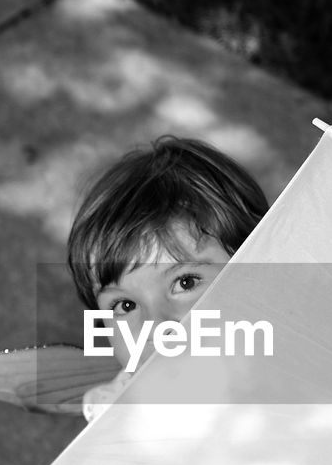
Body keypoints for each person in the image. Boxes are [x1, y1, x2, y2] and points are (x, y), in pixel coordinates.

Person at [66, 136, 269, 420]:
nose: (155, 327)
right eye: (125, 306)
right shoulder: (125, 412)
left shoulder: (311, 368)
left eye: (185, 282)